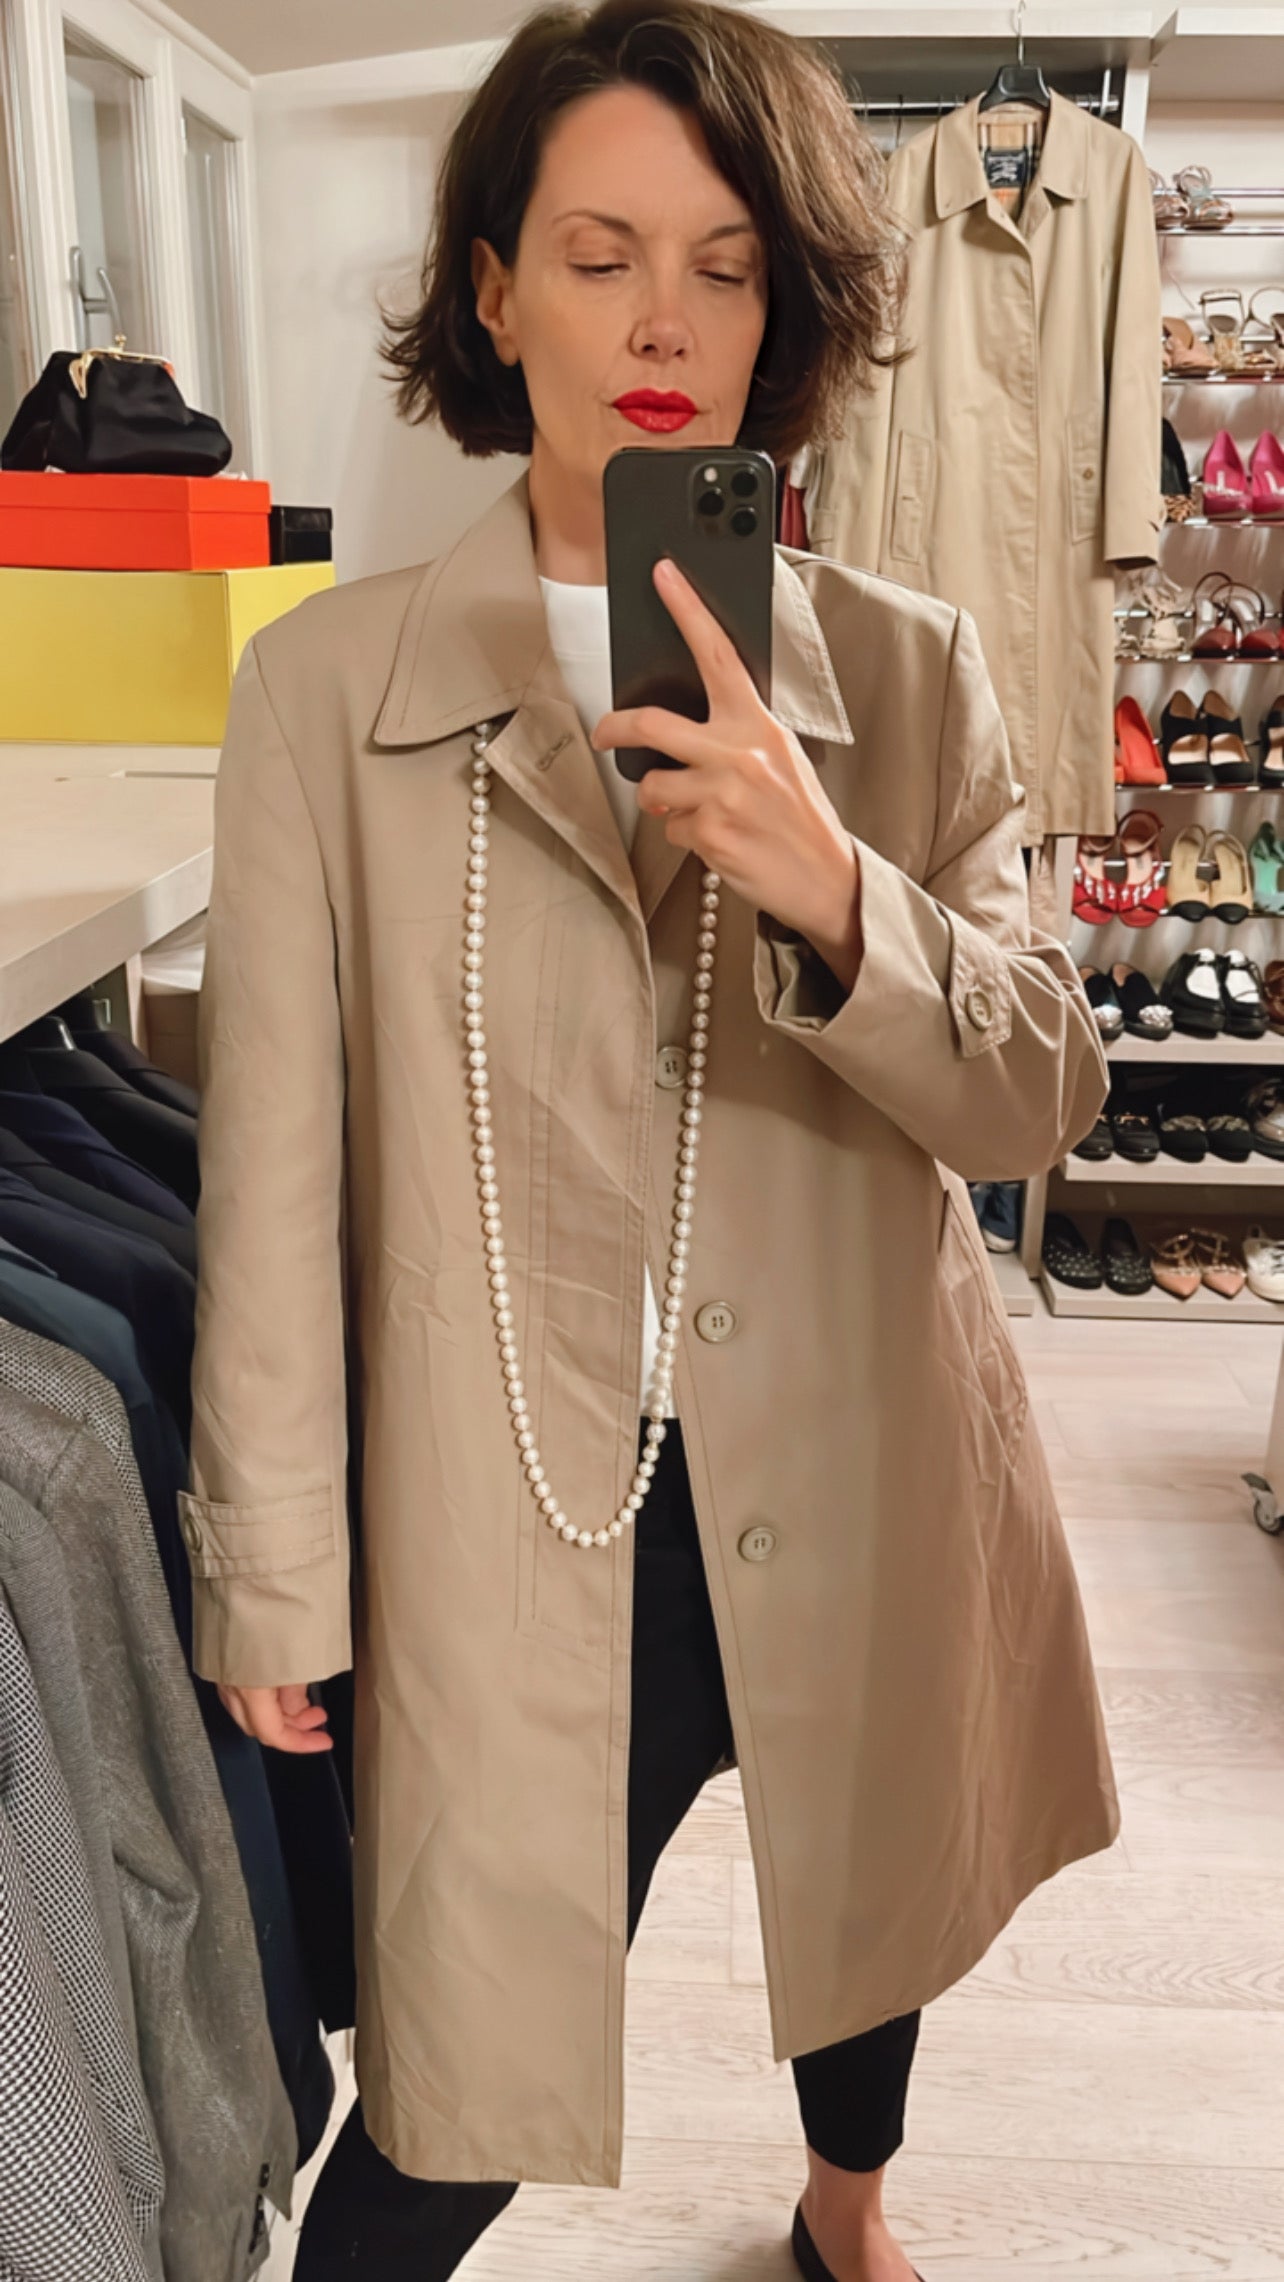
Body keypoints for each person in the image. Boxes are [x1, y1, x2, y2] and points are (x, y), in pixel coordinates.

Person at [178, 5, 1120, 2279]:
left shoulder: (910, 675)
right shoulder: (325, 693)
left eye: (724, 264)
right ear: (496, 293)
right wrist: (272, 1565)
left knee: (869, 1919)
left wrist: (837, 888)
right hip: (515, 1505)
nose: (665, 323)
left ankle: (844, 2206)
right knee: (459, 2073)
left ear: (786, 306)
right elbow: (272, 1179)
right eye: (600, 258)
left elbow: (1039, 1091)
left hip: (862, 1459)